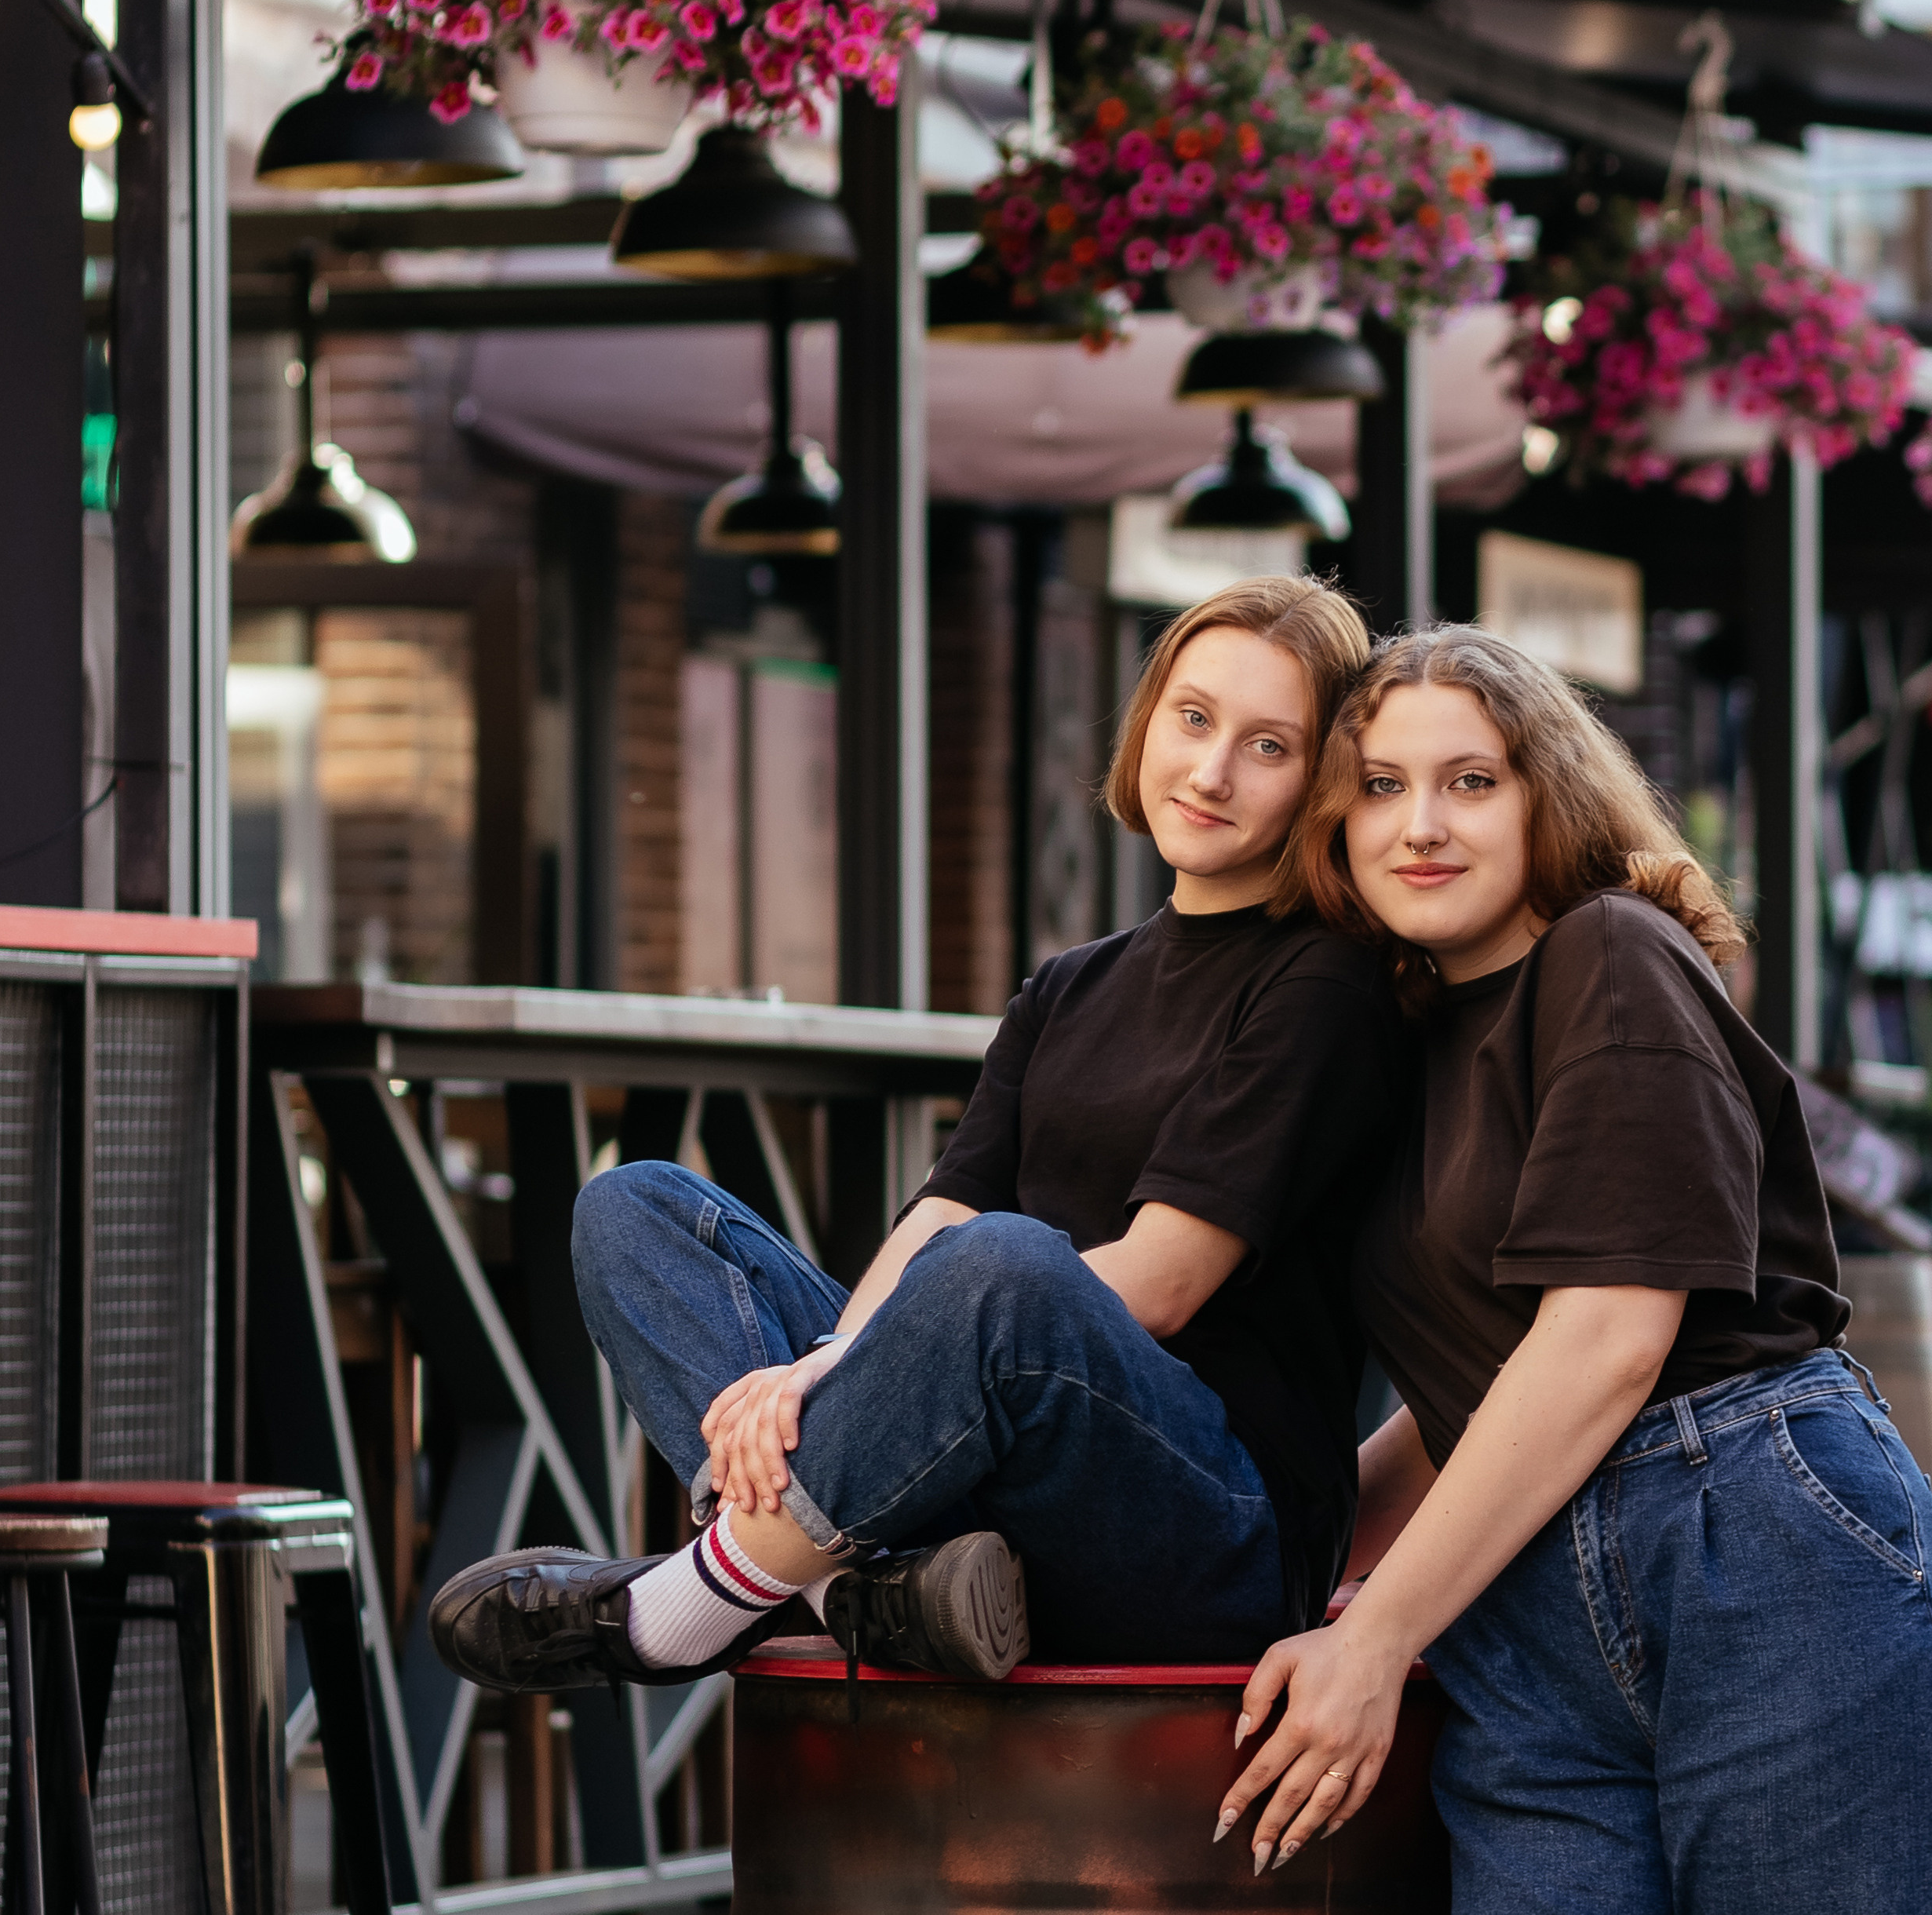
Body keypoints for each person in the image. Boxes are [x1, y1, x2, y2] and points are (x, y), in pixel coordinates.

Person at [429, 574, 1409, 1697]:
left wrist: (842, 1366)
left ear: (1321, 781)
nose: (1211, 769)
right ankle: (877, 1591)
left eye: (1268, 745)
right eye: (1192, 718)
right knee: (637, 1206)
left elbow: (1159, 1281)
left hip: (1207, 1526)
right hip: (993, 1500)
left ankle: (688, 1607)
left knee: (1004, 1267)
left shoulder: (1324, 985)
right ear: (1148, 722)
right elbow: (944, 1203)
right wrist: (825, 1365)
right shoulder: (1071, 985)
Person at [1212, 623, 1932, 1910]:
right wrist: (1276, 1561)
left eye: (1470, 780)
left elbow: (1603, 1339)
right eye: (1379, 785)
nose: (1420, 824)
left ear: (1545, 793)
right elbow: (1475, 1391)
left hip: (1742, 1538)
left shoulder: (1610, 950)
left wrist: (1377, 1631)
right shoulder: (1407, 1040)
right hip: (1517, 1599)